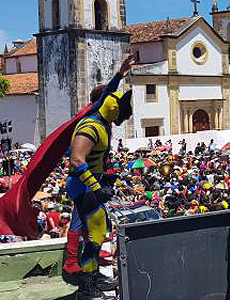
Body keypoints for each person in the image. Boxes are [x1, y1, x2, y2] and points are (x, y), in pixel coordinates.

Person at [62, 62, 134, 300]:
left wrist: (119, 75)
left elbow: (106, 96)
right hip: (82, 187)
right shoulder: (91, 125)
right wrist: (97, 187)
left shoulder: (102, 120)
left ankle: (92, 277)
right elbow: (76, 161)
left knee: (98, 232)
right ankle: (86, 285)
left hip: (90, 185)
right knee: (94, 235)